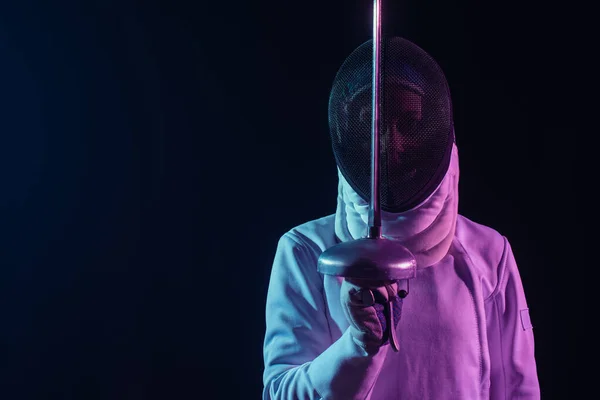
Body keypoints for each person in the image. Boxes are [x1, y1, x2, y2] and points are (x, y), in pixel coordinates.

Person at [262, 37, 540, 399]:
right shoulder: (304, 251)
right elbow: (280, 392)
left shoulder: (489, 253)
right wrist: (358, 346)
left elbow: (519, 391)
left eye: (409, 124)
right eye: (372, 123)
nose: (390, 144)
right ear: (349, 133)